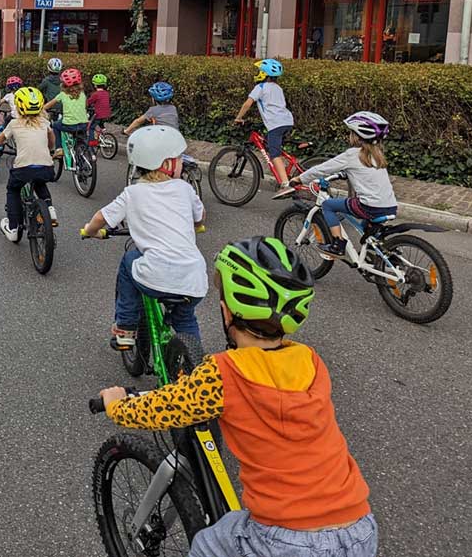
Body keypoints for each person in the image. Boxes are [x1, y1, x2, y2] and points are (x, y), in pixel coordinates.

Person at [98, 236, 377, 557]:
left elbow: (164, 408)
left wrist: (117, 404)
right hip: (359, 527)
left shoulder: (224, 373)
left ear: (227, 311)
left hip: (286, 539)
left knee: (205, 544)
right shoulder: (311, 362)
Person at [81, 125, 207, 344]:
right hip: (194, 278)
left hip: (155, 274)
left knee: (128, 261)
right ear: (166, 164)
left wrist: (91, 231)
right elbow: (200, 215)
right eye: (179, 159)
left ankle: (126, 328)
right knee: (185, 319)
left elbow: (101, 218)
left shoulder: (133, 193)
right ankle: (196, 367)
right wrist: (196, 225)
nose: (182, 163)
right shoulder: (184, 188)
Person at [287, 111, 397, 258]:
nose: (349, 135)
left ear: (357, 136)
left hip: (369, 206)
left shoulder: (352, 154)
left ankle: (338, 244)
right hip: (389, 205)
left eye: (351, 133)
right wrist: (345, 173)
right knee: (367, 228)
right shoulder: (376, 154)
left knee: (328, 205)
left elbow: (322, 169)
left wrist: (300, 179)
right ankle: (383, 254)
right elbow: (364, 173)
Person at [0, 86, 57, 240]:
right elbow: (51, 140)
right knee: (39, 181)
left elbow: (0, 139)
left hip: (23, 169)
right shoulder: (44, 122)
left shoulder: (15, 124)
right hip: (46, 167)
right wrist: (50, 150)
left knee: (13, 190)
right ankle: (49, 208)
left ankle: (13, 227)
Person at [234, 59, 294, 186]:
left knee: (274, 154)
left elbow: (247, 104)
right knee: (271, 145)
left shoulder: (260, 87)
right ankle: (286, 171)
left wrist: (239, 118)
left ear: (264, 74)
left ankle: (285, 183)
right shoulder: (278, 88)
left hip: (276, 124)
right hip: (287, 121)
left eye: (259, 71)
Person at [43, 68, 87, 156]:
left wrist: (41, 110)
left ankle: (59, 148)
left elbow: (48, 105)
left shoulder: (62, 95)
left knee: (56, 125)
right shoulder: (82, 94)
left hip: (69, 125)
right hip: (84, 124)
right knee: (80, 139)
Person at [86, 73, 112, 141]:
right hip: (106, 114)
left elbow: (88, 102)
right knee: (101, 124)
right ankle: (105, 136)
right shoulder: (106, 93)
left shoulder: (95, 94)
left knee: (91, 127)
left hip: (98, 115)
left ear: (95, 85)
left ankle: (91, 141)